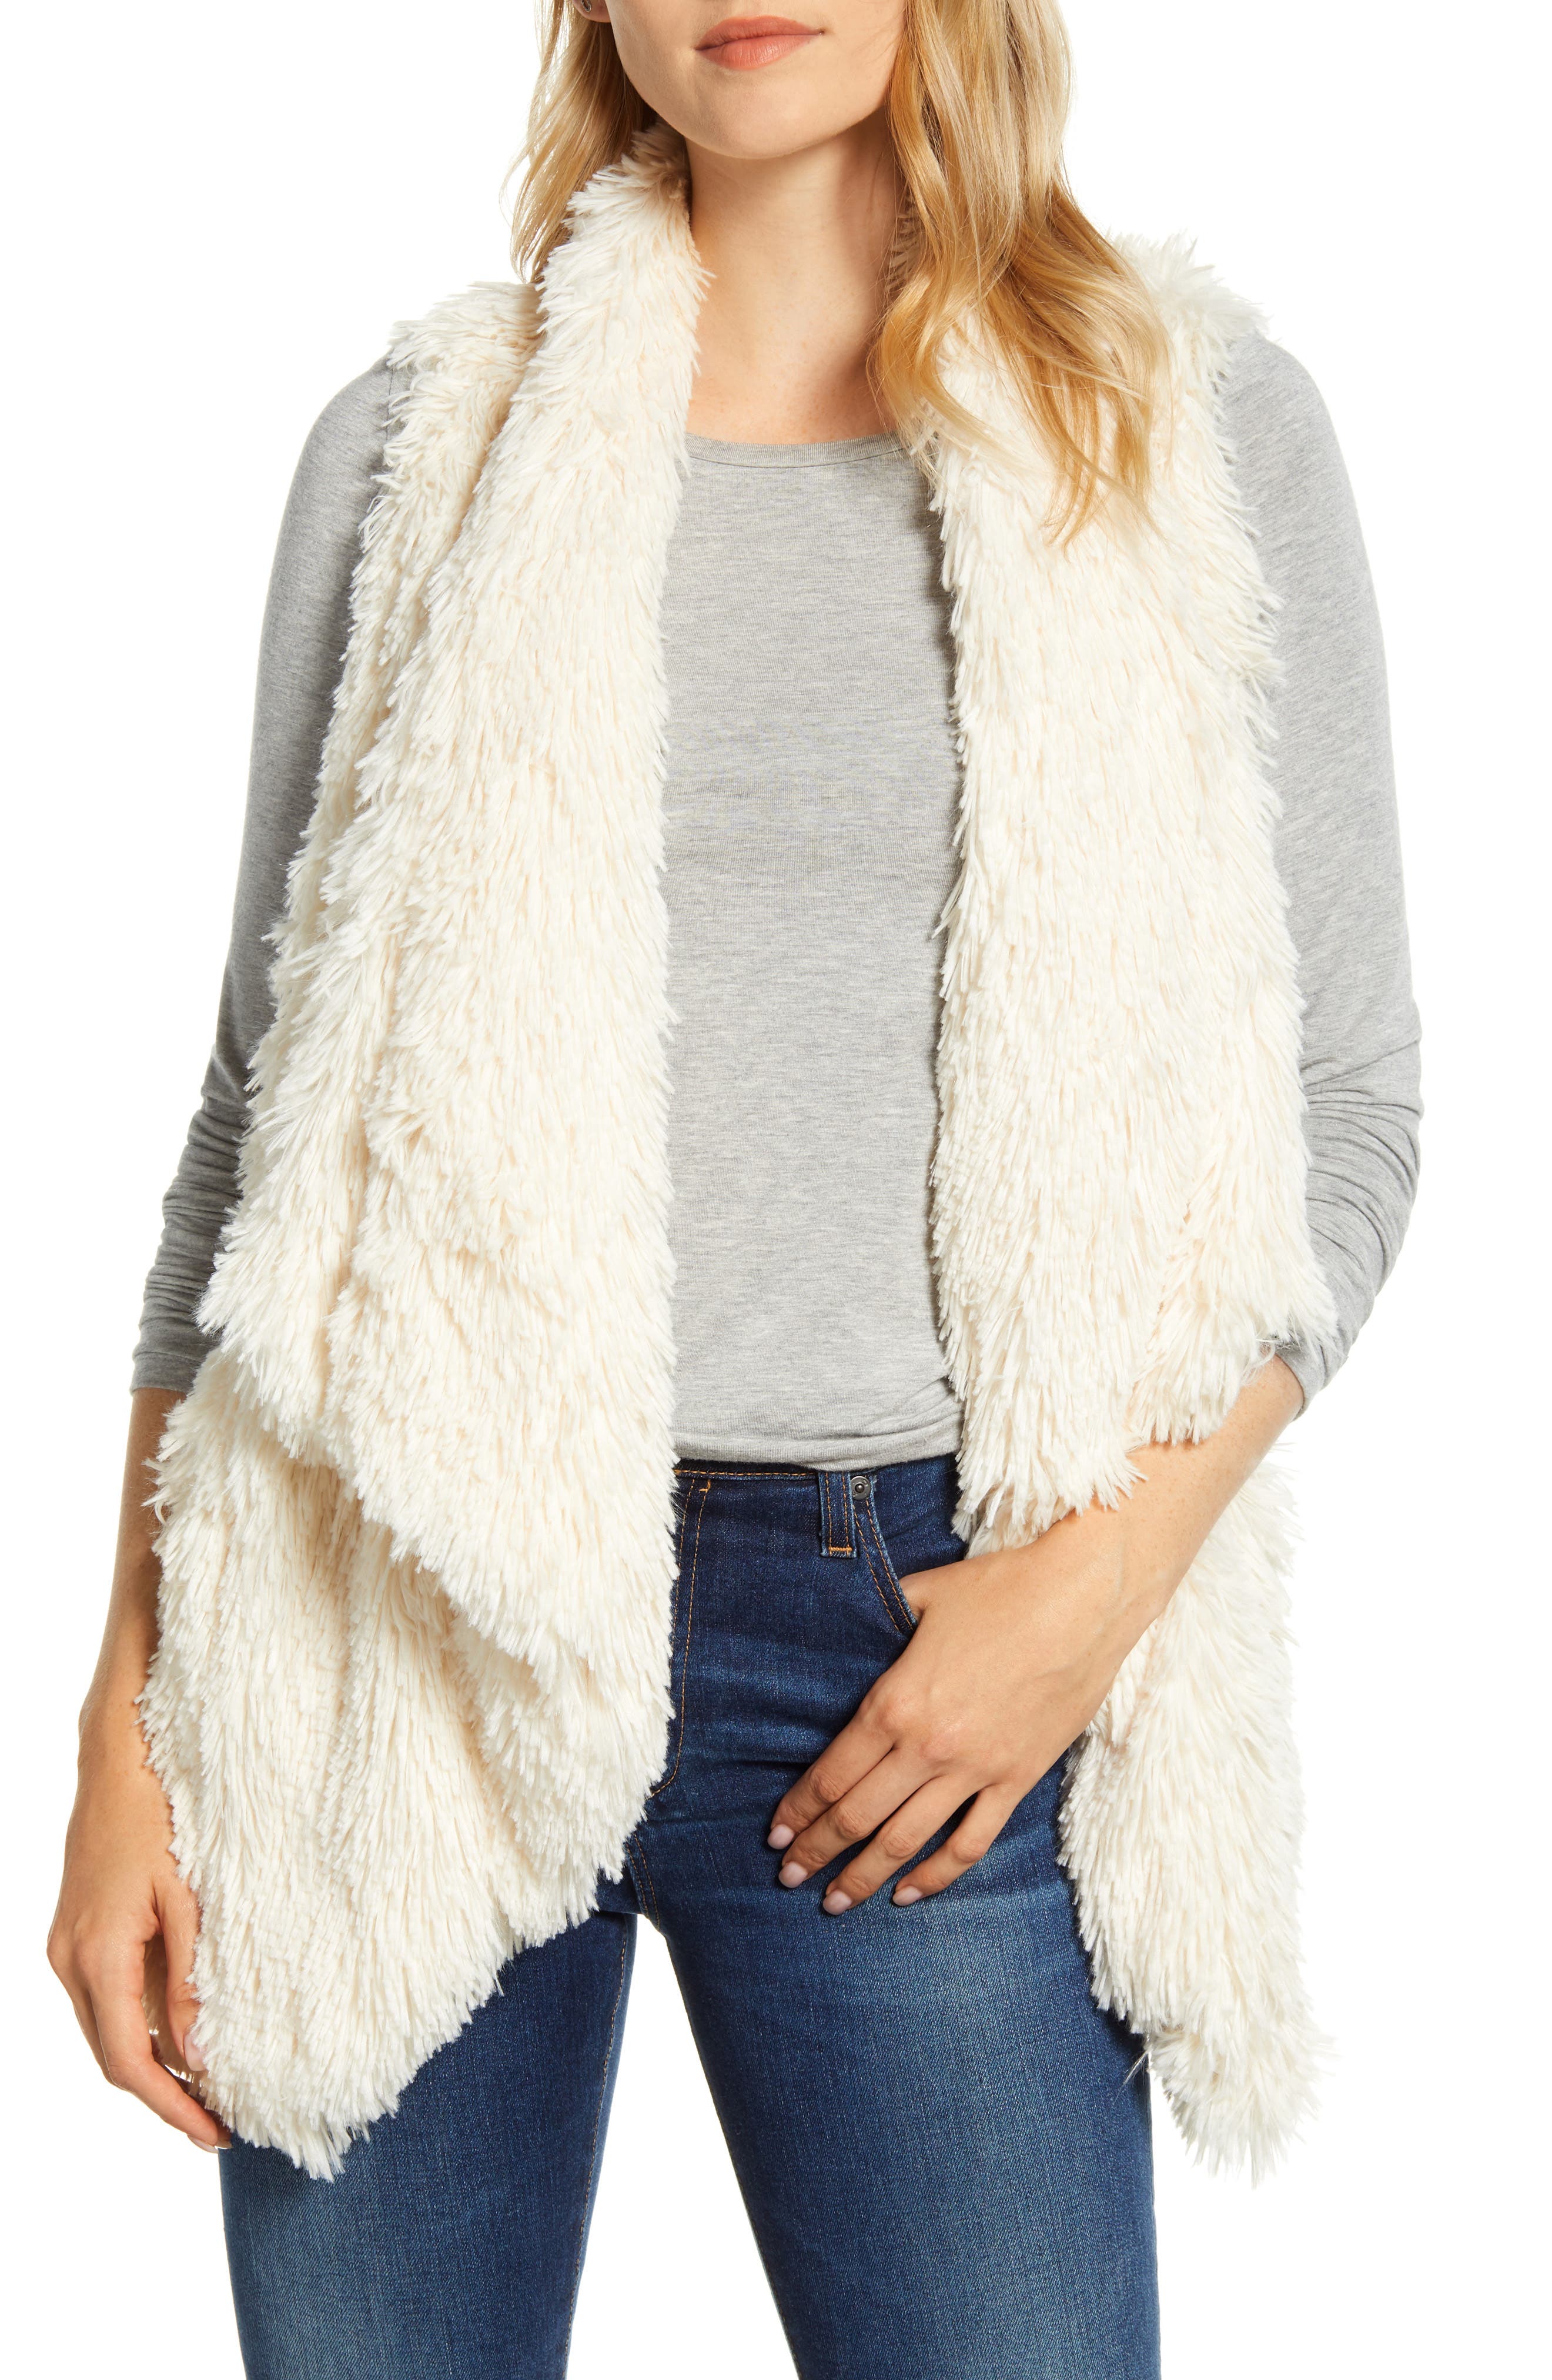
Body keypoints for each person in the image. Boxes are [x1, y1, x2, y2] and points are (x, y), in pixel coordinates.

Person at [49, 2, 1421, 2373]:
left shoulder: (1177, 427)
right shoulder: (419, 450)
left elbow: (1353, 1111)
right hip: (407, 1615)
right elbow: (254, 1137)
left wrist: (1089, 1592)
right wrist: (120, 1736)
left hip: (923, 1644)